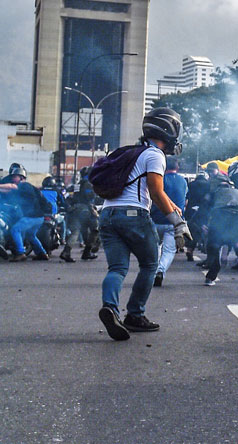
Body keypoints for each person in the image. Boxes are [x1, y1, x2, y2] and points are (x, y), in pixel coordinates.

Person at [97, 108, 190, 341]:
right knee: (150, 264)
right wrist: (177, 223)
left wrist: (171, 205)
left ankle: (111, 308)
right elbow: (155, 192)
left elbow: (147, 188)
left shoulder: (130, 153)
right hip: (133, 216)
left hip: (107, 215)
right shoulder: (155, 155)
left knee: (117, 268)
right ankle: (135, 315)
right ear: (169, 130)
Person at [201, 175, 238, 285]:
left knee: (213, 244)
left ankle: (212, 274)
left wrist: (203, 224)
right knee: (235, 240)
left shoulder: (214, 193)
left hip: (220, 216)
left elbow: (204, 209)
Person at [151, 157, 188, 286]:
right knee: (169, 250)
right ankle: (160, 270)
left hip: (155, 219)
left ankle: (153, 271)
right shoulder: (183, 181)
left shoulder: (158, 180)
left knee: (156, 248)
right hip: (174, 221)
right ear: (177, 167)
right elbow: (185, 200)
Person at [2, 164, 51, 261]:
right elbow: (6, 191)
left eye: (14, 176)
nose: (13, 178)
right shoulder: (28, 187)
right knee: (30, 235)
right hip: (38, 217)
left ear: (21, 177)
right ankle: (42, 253)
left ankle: (20, 253)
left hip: (32, 217)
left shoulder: (24, 185)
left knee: (15, 230)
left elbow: (11, 187)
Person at [65, 169, 101, 260]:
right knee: (95, 229)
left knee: (77, 231)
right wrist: (93, 210)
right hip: (85, 210)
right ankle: (87, 252)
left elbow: (72, 197)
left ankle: (66, 252)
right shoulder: (88, 184)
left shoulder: (78, 184)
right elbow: (88, 198)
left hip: (75, 209)